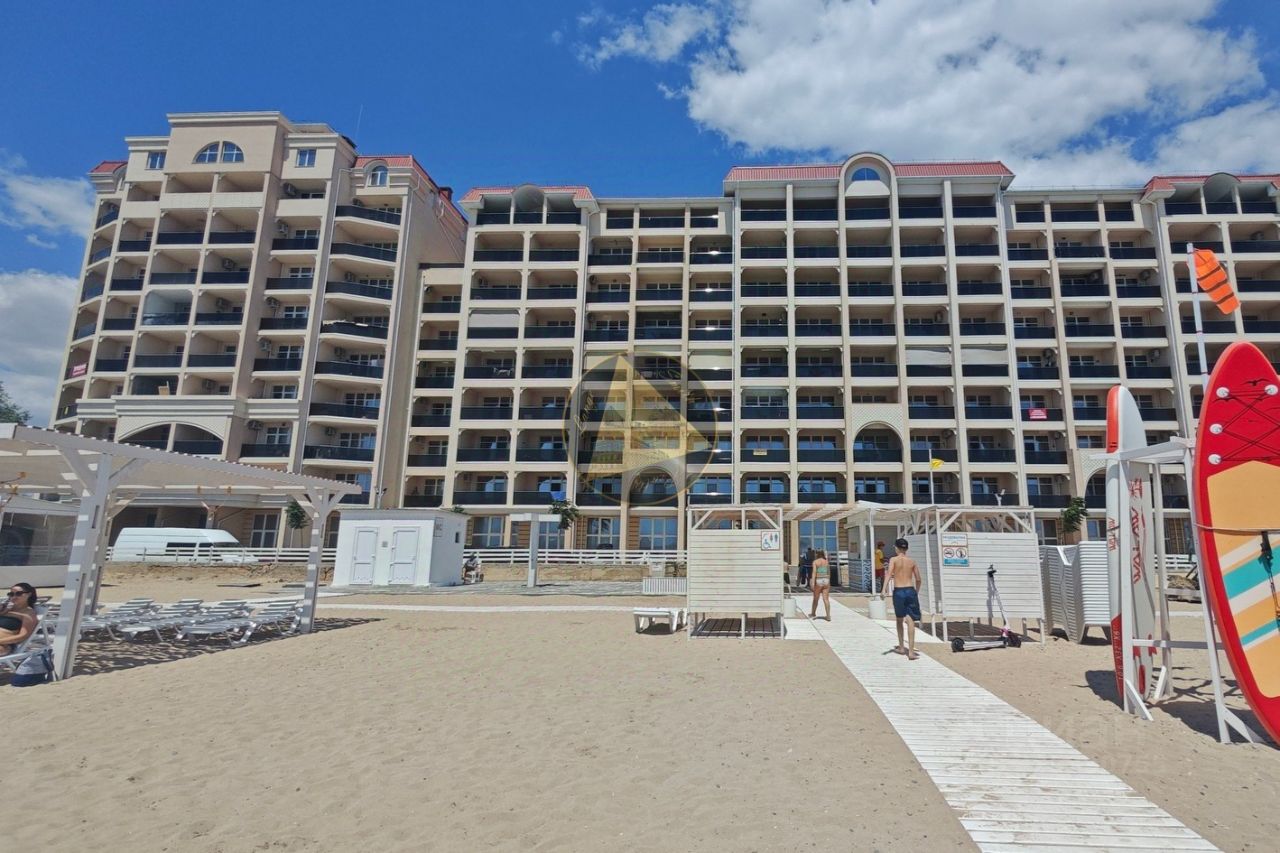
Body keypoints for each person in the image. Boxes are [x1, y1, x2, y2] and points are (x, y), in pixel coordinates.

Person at [884, 539, 922, 659]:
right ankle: (910, 651)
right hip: (910, 590)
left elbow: (889, 574)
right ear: (906, 548)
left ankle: (901, 647)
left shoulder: (893, 560)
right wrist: (916, 592)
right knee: (910, 621)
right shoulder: (912, 561)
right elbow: (918, 579)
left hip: (899, 591)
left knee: (899, 619)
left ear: (896, 548)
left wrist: (883, 589)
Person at [809, 549, 831, 621]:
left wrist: (812, 582)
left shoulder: (815, 562)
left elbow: (814, 572)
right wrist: (829, 582)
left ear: (817, 554)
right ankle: (828, 616)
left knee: (816, 599)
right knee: (826, 599)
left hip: (818, 579)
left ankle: (813, 613)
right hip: (826, 579)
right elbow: (828, 572)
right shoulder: (826, 562)